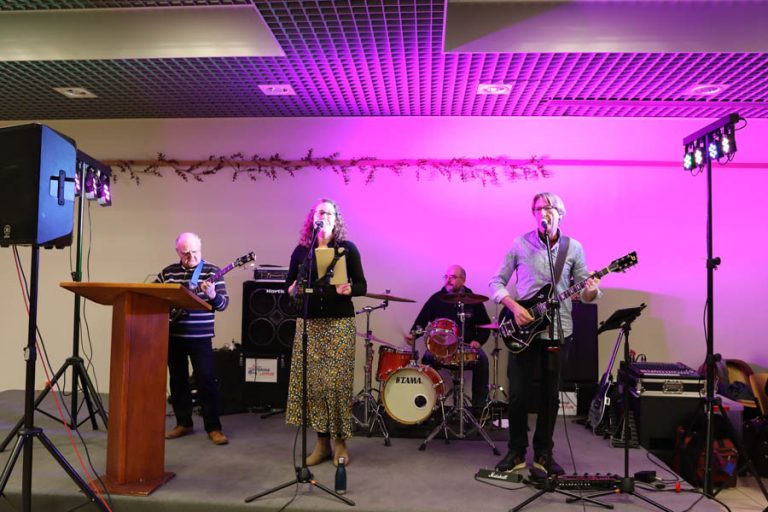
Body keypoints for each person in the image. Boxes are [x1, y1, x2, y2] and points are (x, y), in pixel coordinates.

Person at [489, 192, 600, 476]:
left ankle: (543, 453)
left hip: (558, 331)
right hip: (523, 331)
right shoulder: (520, 244)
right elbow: (496, 282)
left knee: (551, 396)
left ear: (560, 213)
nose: (543, 212)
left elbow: (585, 293)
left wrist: (591, 289)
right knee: (518, 395)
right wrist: (513, 307)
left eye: (548, 207)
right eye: (537, 209)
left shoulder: (573, 248)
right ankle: (516, 451)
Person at [285, 198, 367, 466]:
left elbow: (362, 285)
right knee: (315, 386)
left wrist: (350, 289)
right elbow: (289, 285)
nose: (325, 216)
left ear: (336, 218)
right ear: (313, 217)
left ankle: (340, 442)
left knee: (336, 385)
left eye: (330, 213)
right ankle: (321, 444)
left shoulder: (347, 249)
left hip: (338, 324)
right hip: (309, 323)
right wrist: (292, 288)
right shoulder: (302, 251)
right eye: (321, 212)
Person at [160, 232, 230, 445]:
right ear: (178, 252)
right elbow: (156, 296)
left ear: (201, 249)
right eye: (186, 253)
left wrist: (212, 295)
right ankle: (183, 423)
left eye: (195, 252)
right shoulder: (168, 273)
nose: (191, 257)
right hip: (174, 335)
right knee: (177, 380)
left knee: (206, 380)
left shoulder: (212, 271)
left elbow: (223, 304)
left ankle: (214, 427)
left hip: (201, 336)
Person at [405, 265, 491, 411]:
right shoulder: (436, 299)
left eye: (453, 277)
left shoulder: (474, 300)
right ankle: (429, 406)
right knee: (427, 359)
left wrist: (478, 341)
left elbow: (485, 326)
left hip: (466, 348)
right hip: (440, 348)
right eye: (446, 277)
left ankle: (479, 409)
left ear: (463, 280)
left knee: (482, 360)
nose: (448, 280)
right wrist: (413, 335)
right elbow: (421, 321)